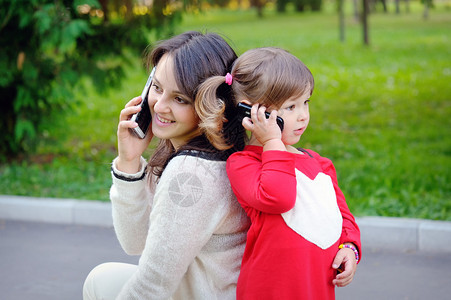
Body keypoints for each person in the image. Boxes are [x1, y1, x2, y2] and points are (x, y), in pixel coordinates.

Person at [83, 31, 250, 300]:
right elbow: (136, 242)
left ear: (211, 106)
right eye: (157, 87)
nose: (159, 106)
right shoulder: (214, 152)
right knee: (102, 278)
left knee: (103, 282)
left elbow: (152, 287)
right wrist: (128, 162)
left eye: (179, 99)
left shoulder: (191, 174)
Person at [196, 47, 362, 299]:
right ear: (253, 112)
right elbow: (278, 197)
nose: (303, 116)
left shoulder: (320, 165)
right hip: (269, 291)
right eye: (290, 107)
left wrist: (350, 248)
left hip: (315, 290)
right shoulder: (244, 164)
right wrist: (273, 143)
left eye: (305, 103)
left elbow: (342, 217)